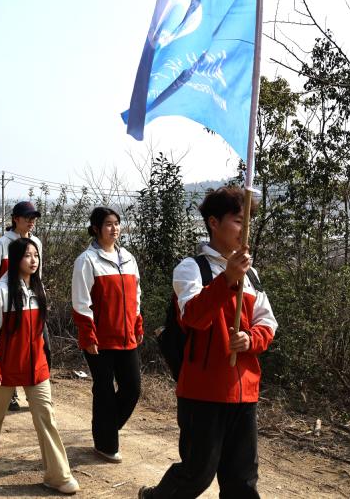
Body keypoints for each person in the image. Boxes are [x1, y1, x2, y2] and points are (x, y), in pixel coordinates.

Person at [138, 187, 278, 499]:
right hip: (203, 390)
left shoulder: (251, 275)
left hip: (244, 390)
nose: (245, 230)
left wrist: (251, 339)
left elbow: (267, 322)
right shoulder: (192, 268)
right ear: (214, 223)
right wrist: (226, 280)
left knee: (243, 480)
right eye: (238, 221)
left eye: (248, 222)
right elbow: (194, 317)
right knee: (197, 473)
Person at [0, 237, 79, 495]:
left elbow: (40, 332)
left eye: (36, 256)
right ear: (16, 259)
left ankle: (58, 475)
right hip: (7, 365)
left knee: (46, 416)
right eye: (28, 255)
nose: (33, 260)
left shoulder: (38, 290)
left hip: (36, 366)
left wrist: (45, 359)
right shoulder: (1, 291)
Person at [72, 207, 143, 463]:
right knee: (103, 390)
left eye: (117, 223)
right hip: (100, 339)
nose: (114, 228)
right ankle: (106, 444)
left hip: (126, 336)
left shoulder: (128, 258)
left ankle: (105, 431)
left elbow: (136, 294)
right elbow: (81, 302)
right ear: (96, 229)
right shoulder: (87, 260)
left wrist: (137, 323)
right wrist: (88, 335)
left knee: (132, 389)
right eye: (108, 224)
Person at [0, 200, 46, 411]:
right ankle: (10, 393)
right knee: (10, 351)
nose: (31, 221)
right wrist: (6, 295)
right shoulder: (2, 243)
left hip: (33, 304)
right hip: (9, 306)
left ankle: (35, 390)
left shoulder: (36, 242)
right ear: (15, 219)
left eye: (34, 218)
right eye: (27, 217)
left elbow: (38, 276)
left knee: (43, 347)